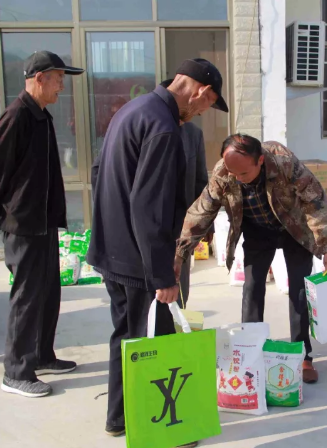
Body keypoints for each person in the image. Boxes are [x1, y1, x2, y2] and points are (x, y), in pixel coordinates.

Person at [87, 58, 228, 439]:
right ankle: (166, 429)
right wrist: (162, 275)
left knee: (128, 337)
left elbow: (99, 174)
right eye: (207, 104)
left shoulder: (132, 111)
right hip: (140, 261)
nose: (202, 112)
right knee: (157, 343)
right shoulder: (163, 128)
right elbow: (149, 207)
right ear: (200, 91)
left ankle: (119, 417)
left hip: (113, 250)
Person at [174, 134, 327, 384]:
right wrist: (180, 253)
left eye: (244, 173)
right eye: (233, 172)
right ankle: (251, 352)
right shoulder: (224, 172)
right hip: (257, 230)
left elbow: (315, 201)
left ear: (260, 161)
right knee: (252, 288)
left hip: (294, 228)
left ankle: (302, 355)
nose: (237, 178)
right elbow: (201, 211)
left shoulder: (284, 162)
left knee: (299, 289)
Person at [0, 51, 85, 398]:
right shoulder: (17, 116)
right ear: (39, 78)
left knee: (48, 292)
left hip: (43, 223)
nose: (61, 86)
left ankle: (41, 355)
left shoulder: (40, 115)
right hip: (23, 224)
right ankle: (16, 372)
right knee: (26, 297)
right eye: (58, 79)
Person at [177, 121, 211, 307]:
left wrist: (206, 225)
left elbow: (200, 182)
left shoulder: (193, 134)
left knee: (179, 285)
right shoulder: (146, 124)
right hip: (145, 224)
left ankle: (178, 319)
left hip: (182, 224)